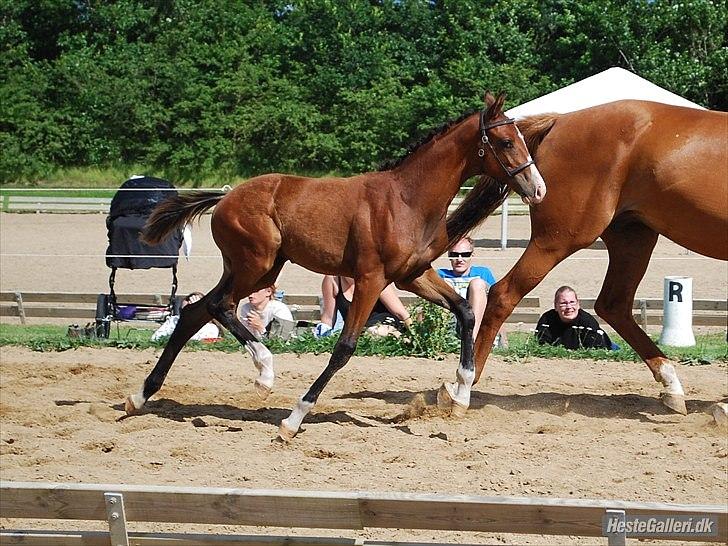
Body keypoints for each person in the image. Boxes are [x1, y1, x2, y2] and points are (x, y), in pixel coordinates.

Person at [437, 236, 507, 347]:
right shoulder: (440, 274)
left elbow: (497, 305)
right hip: (450, 323)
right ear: (449, 256)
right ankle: (445, 339)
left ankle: (471, 341)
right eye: (454, 255)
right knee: (445, 284)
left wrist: (503, 337)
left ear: (472, 255)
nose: (459, 259)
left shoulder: (483, 273)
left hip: (479, 324)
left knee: (477, 284)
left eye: (465, 254)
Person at [236, 284, 295, 398]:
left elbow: (281, 341)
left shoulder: (279, 309)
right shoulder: (246, 308)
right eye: (249, 290)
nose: (250, 294)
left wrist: (260, 327)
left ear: (268, 292)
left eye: (254, 290)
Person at [313, 275, 412, 338]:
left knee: (376, 332)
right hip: (357, 334)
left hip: (384, 326)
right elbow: (328, 318)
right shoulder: (332, 280)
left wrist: (414, 332)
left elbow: (401, 313)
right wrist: (322, 334)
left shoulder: (374, 277)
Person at [535, 285, 617, 350]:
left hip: (608, 347)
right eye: (563, 303)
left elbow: (596, 348)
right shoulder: (547, 319)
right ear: (555, 306)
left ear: (578, 305)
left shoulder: (587, 321)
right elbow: (542, 344)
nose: (569, 307)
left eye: (572, 302)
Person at [151, 292, 222, 342]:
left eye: (196, 302)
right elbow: (155, 338)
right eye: (188, 299)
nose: (189, 303)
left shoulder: (210, 328)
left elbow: (197, 341)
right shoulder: (173, 320)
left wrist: (195, 311)